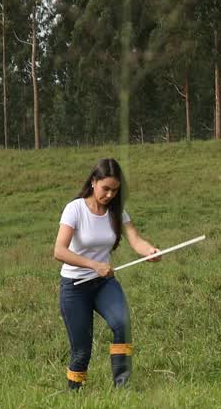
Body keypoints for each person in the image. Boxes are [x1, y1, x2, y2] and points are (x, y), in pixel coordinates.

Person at [53, 158, 159, 390]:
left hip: (103, 283)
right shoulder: (75, 209)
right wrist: (93, 265)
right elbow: (59, 251)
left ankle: (122, 388)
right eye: (106, 189)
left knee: (123, 324)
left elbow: (135, 239)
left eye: (115, 190)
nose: (110, 195)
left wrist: (149, 251)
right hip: (75, 285)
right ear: (93, 182)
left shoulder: (117, 213)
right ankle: (74, 395)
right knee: (82, 350)